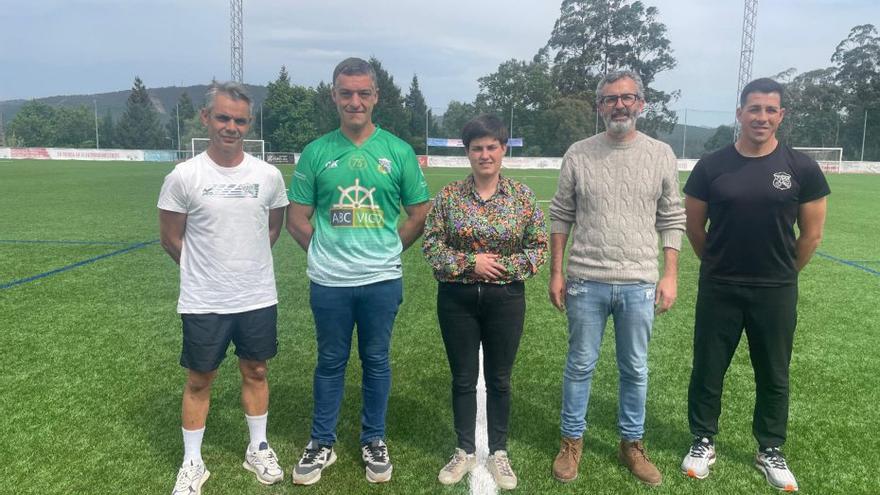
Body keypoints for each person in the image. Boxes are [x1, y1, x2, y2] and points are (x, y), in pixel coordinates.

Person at [286, 57, 431, 485]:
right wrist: (326, 252)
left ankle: (373, 438)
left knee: (376, 361)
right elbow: (297, 218)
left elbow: (419, 214)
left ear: (375, 97)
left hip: (381, 280)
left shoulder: (398, 151)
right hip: (330, 282)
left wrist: (388, 250)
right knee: (330, 361)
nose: (355, 101)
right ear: (334, 96)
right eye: (346, 93)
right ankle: (321, 442)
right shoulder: (316, 152)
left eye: (363, 93)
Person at [680, 78, 829, 492]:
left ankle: (770, 448)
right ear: (740, 113)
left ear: (780, 116)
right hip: (720, 286)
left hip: (776, 290)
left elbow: (811, 236)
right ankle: (702, 439)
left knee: (774, 372)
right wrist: (717, 264)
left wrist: (782, 273)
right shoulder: (711, 165)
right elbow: (695, 226)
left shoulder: (802, 167)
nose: (761, 117)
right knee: (708, 367)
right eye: (754, 109)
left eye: (770, 110)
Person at [548, 70, 686, 487]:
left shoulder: (661, 154)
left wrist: (670, 274)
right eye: (610, 99)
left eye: (627, 97)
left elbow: (671, 215)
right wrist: (556, 271)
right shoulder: (578, 152)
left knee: (635, 368)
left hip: (639, 281)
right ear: (599, 107)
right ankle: (571, 441)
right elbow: (561, 213)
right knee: (580, 365)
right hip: (585, 279)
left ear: (642, 103)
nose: (619, 105)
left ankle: (632, 443)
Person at [158, 81, 289, 495]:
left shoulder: (267, 176)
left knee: (256, 370)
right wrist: (207, 270)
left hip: (256, 295)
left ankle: (258, 448)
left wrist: (241, 266)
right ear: (205, 118)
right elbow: (170, 238)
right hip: (204, 298)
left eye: (239, 120)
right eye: (223, 117)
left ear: (248, 124)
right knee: (200, 379)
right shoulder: (184, 176)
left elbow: (272, 228)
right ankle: (192, 461)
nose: (231, 127)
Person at [422, 115, 548, 490]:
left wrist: (498, 267)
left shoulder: (522, 198)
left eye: (492, 146)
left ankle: (499, 452)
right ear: (467, 152)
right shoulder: (448, 197)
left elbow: (538, 249)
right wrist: (469, 263)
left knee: (500, 378)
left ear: (503, 149)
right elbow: (431, 246)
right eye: (477, 148)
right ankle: (463, 449)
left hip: (506, 299)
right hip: (457, 300)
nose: (485, 154)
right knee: (463, 378)